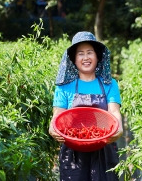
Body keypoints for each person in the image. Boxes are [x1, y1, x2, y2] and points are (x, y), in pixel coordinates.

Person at [49, 32, 123, 180]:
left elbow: (114, 111)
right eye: (80, 54)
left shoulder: (109, 84)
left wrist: (119, 128)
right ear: (74, 59)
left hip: (104, 147)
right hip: (73, 153)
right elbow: (58, 115)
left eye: (90, 52)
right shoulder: (64, 87)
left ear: (97, 57)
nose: (86, 57)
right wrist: (53, 127)